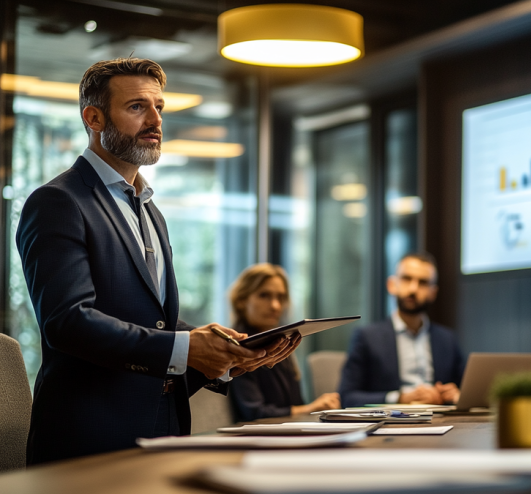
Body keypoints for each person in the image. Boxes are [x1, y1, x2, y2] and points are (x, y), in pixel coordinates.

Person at [16, 58, 299, 465]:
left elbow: (153, 323)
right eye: (136, 107)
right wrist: (186, 347)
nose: (155, 121)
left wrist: (225, 356)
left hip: (163, 430)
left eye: (159, 108)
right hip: (91, 439)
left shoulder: (150, 209)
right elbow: (69, 322)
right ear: (93, 118)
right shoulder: (58, 201)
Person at [338, 253, 466, 408]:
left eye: (423, 282)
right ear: (392, 285)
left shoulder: (447, 339)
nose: (413, 288)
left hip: (443, 420)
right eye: (406, 279)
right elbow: (347, 397)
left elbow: (466, 390)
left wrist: (455, 394)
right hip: (392, 424)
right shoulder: (367, 337)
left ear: (433, 293)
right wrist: (399, 397)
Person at [228, 264, 341, 420]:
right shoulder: (238, 348)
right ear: (241, 300)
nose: (275, 306)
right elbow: (254, 412)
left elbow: (295, 404)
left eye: (280, 297)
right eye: (264, 295)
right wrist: (311, 408)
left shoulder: (280, 342)